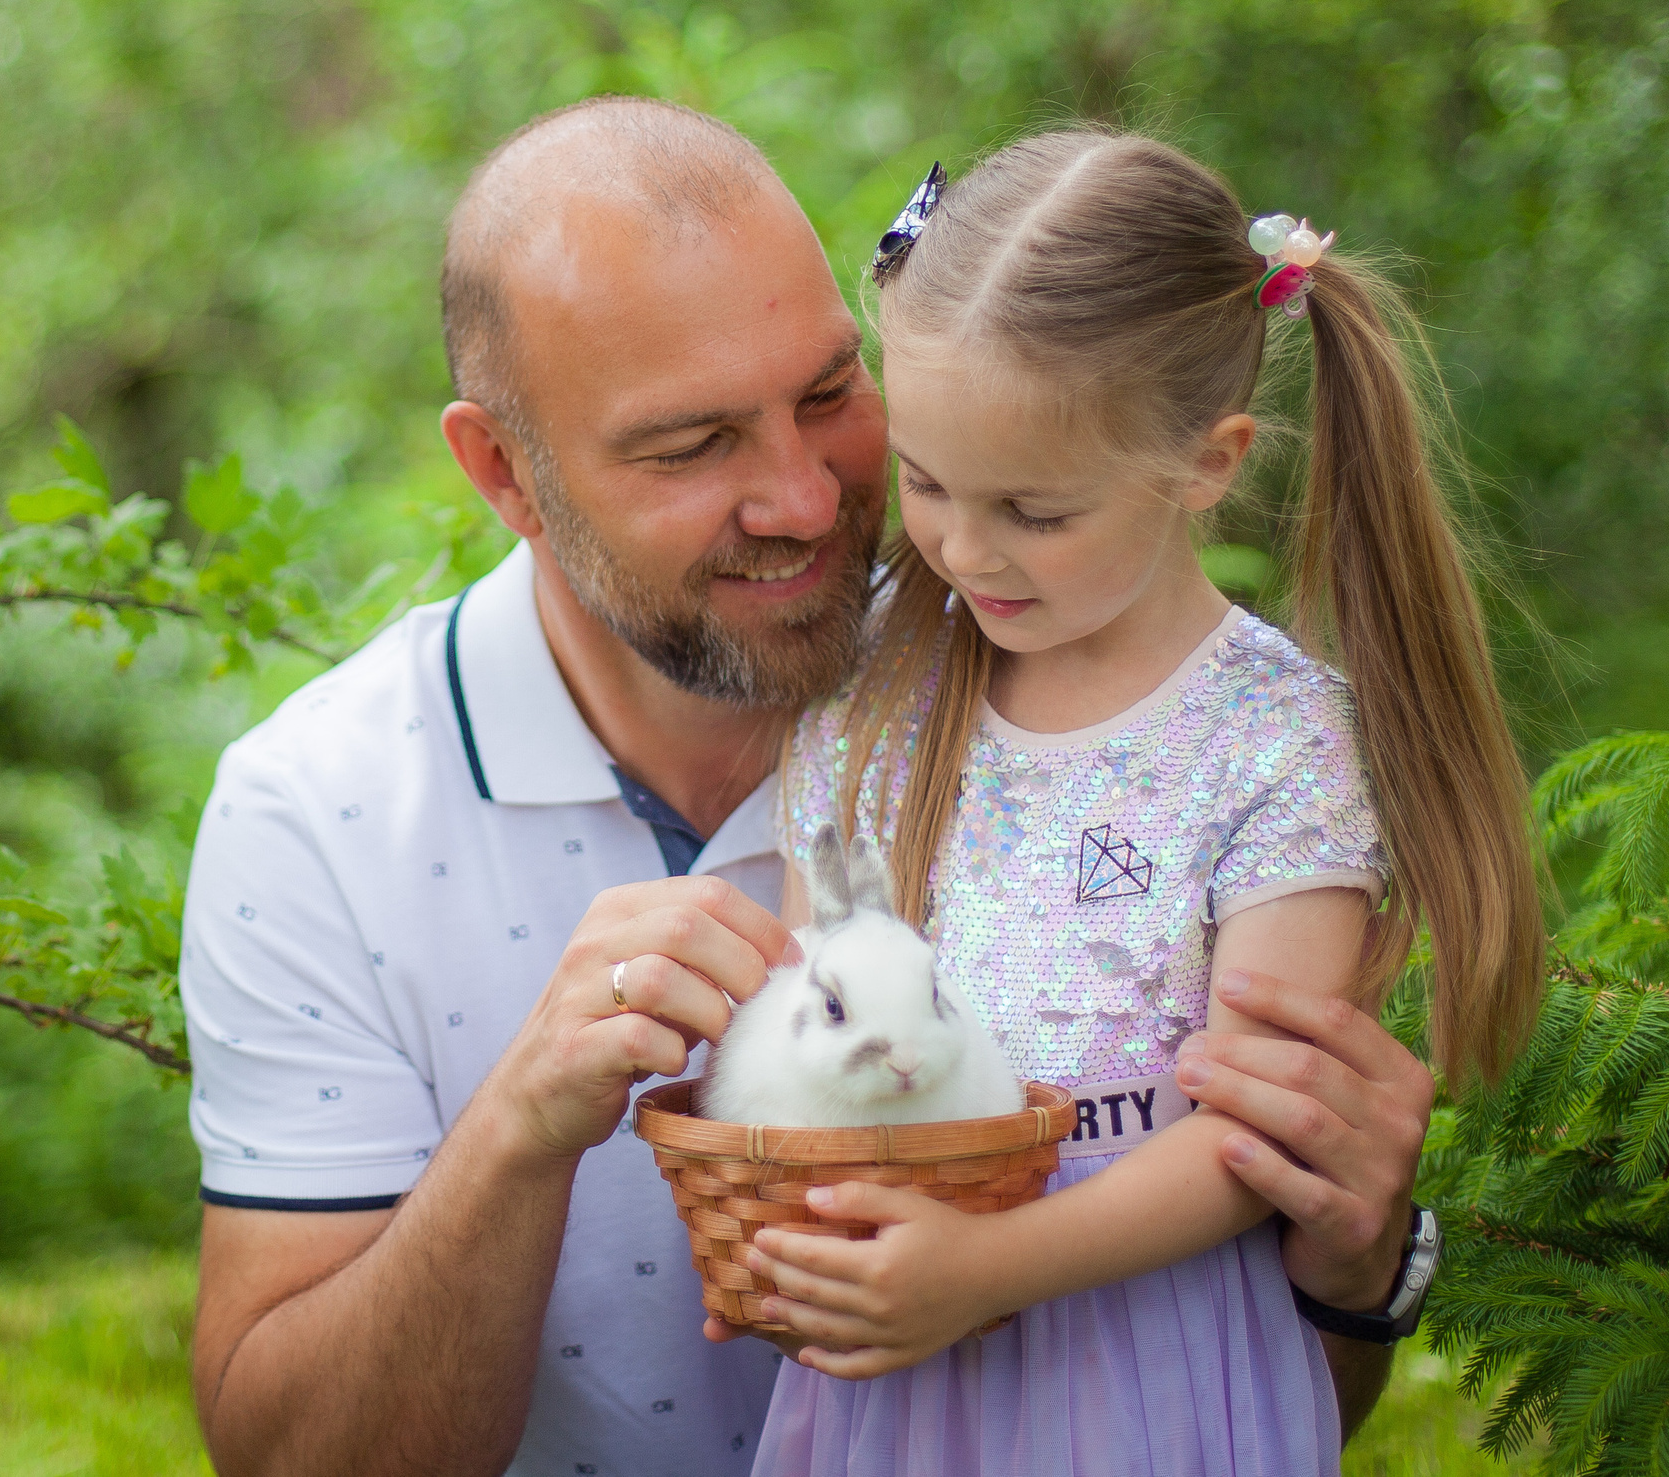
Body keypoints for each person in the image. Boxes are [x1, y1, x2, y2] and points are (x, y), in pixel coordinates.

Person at [180, 98, 1445, 1477]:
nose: (803, 499)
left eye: (833, 397)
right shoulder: (319, 816)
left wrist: (1354, 1261)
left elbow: (1253, 1382)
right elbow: (286, 1460)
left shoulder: (1046, 653)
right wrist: (518, 1131)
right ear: (507, 475)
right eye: (689, 446)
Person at [739, 130, 1546, 1476]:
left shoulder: (1270, 742)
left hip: (1150, 1380)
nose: (962, 547)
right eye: (928, 483)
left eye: (1034, 511)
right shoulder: (871, 703)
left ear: (1208, 463)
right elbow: (815, 1024)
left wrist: (989, 1264)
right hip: (901, 1382)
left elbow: (1264, 1124)